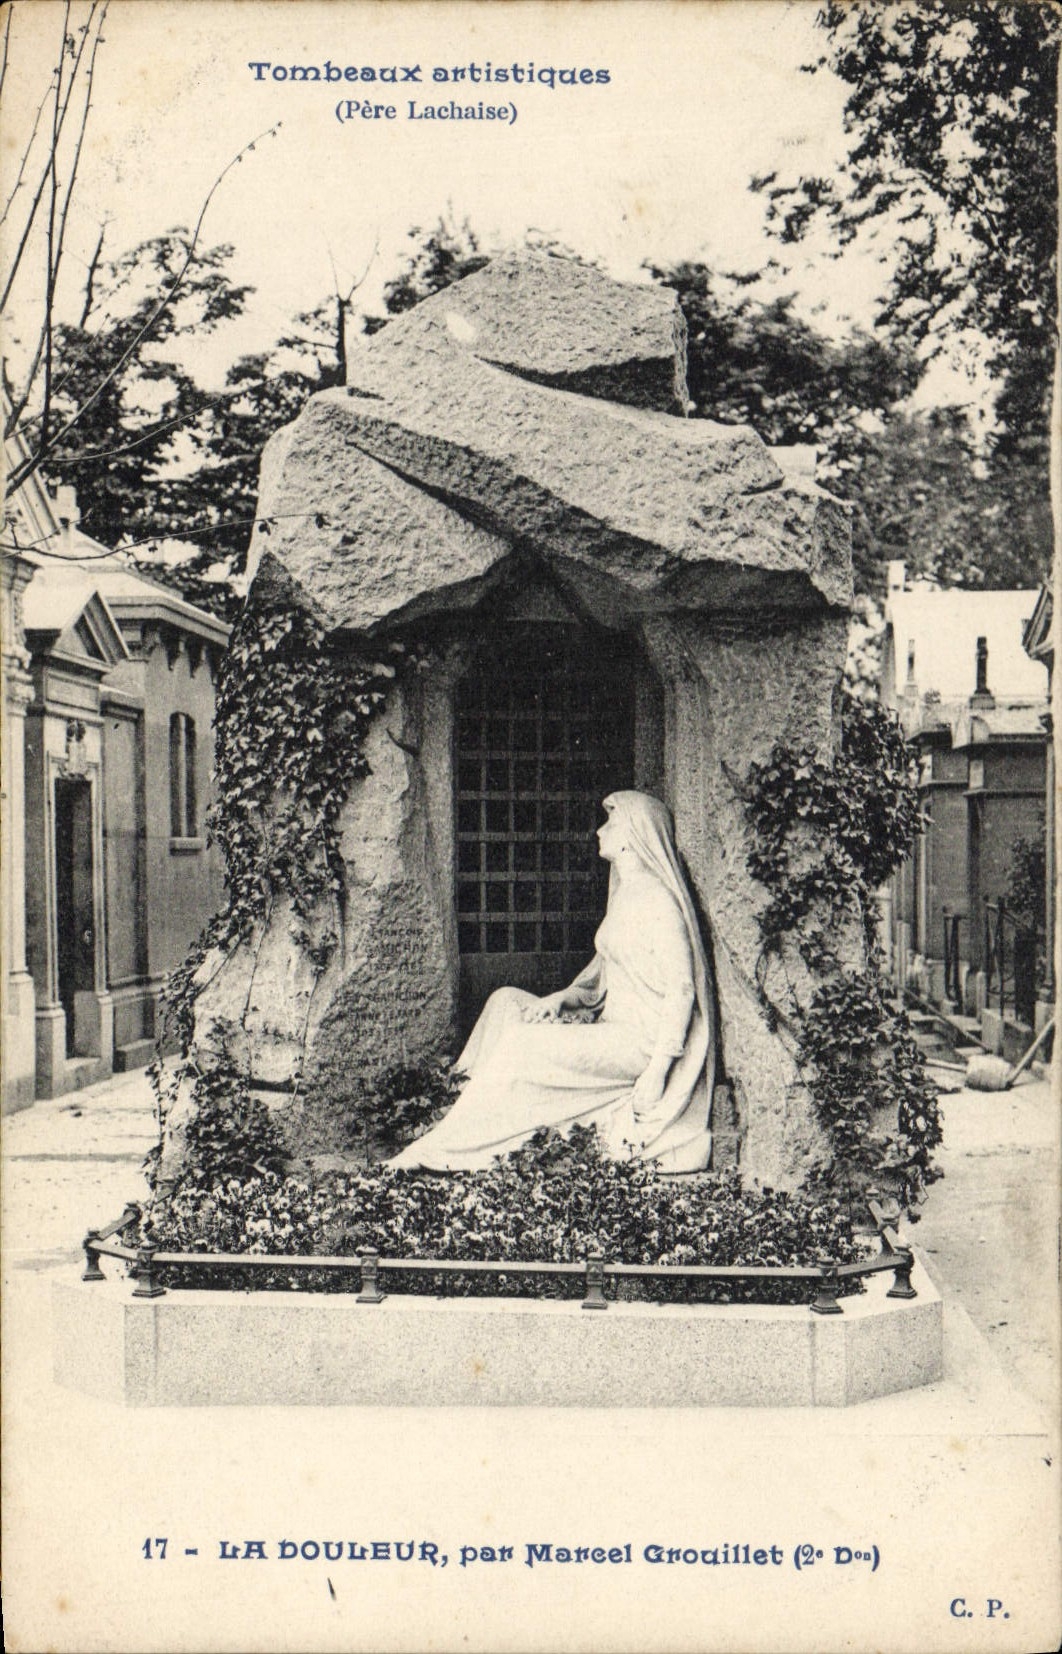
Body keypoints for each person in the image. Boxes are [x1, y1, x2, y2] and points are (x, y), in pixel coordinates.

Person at [388, 790, 715, 1173]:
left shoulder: (658, 901)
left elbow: (681, 990)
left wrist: (658, 1071)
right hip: (608, 1029)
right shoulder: (626, 897)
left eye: (612, 822)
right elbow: (601, 979)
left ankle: (446, 1148)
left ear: (634, 834)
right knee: (506, 1002)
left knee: (523, 1040)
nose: (600, 831)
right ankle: (455, 1111)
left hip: (637, 1043)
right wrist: (562, 999)